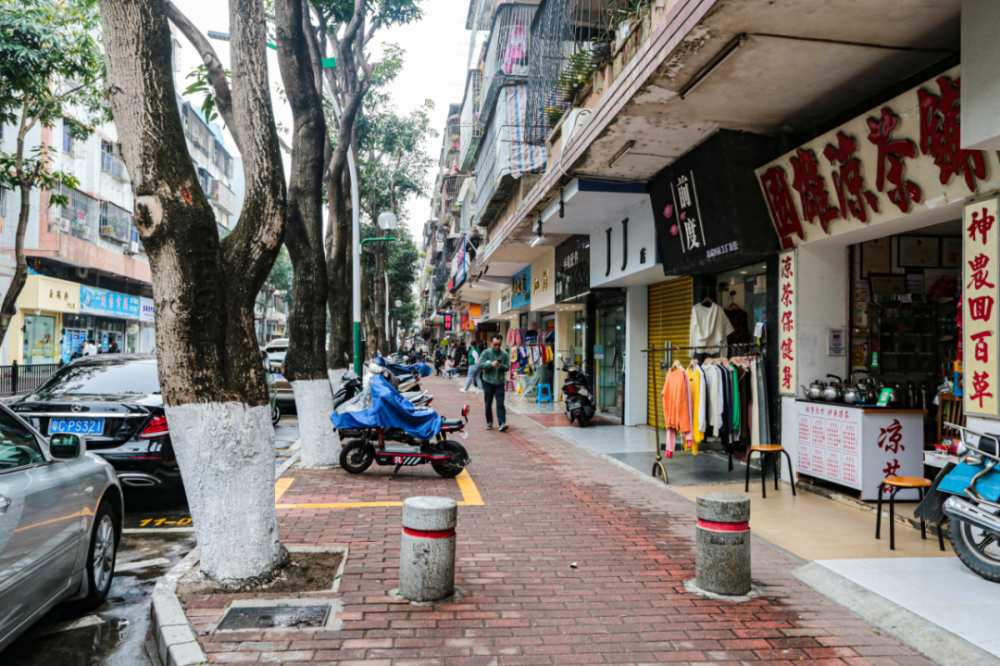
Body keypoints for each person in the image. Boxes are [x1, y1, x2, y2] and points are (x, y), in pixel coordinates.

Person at [477, 334, 510, 432]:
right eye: (495, 344)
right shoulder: (485, 353)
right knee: (488, 403)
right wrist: (491, 364)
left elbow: (507, 367)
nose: (497, 347)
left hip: (499, 382)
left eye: (499, 344)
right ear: (491, 343)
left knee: (500, 403)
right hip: (488, 382)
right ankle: (489, 422)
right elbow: (480, 365)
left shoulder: (504, 354)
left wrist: (501, 366)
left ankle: (502, 423)